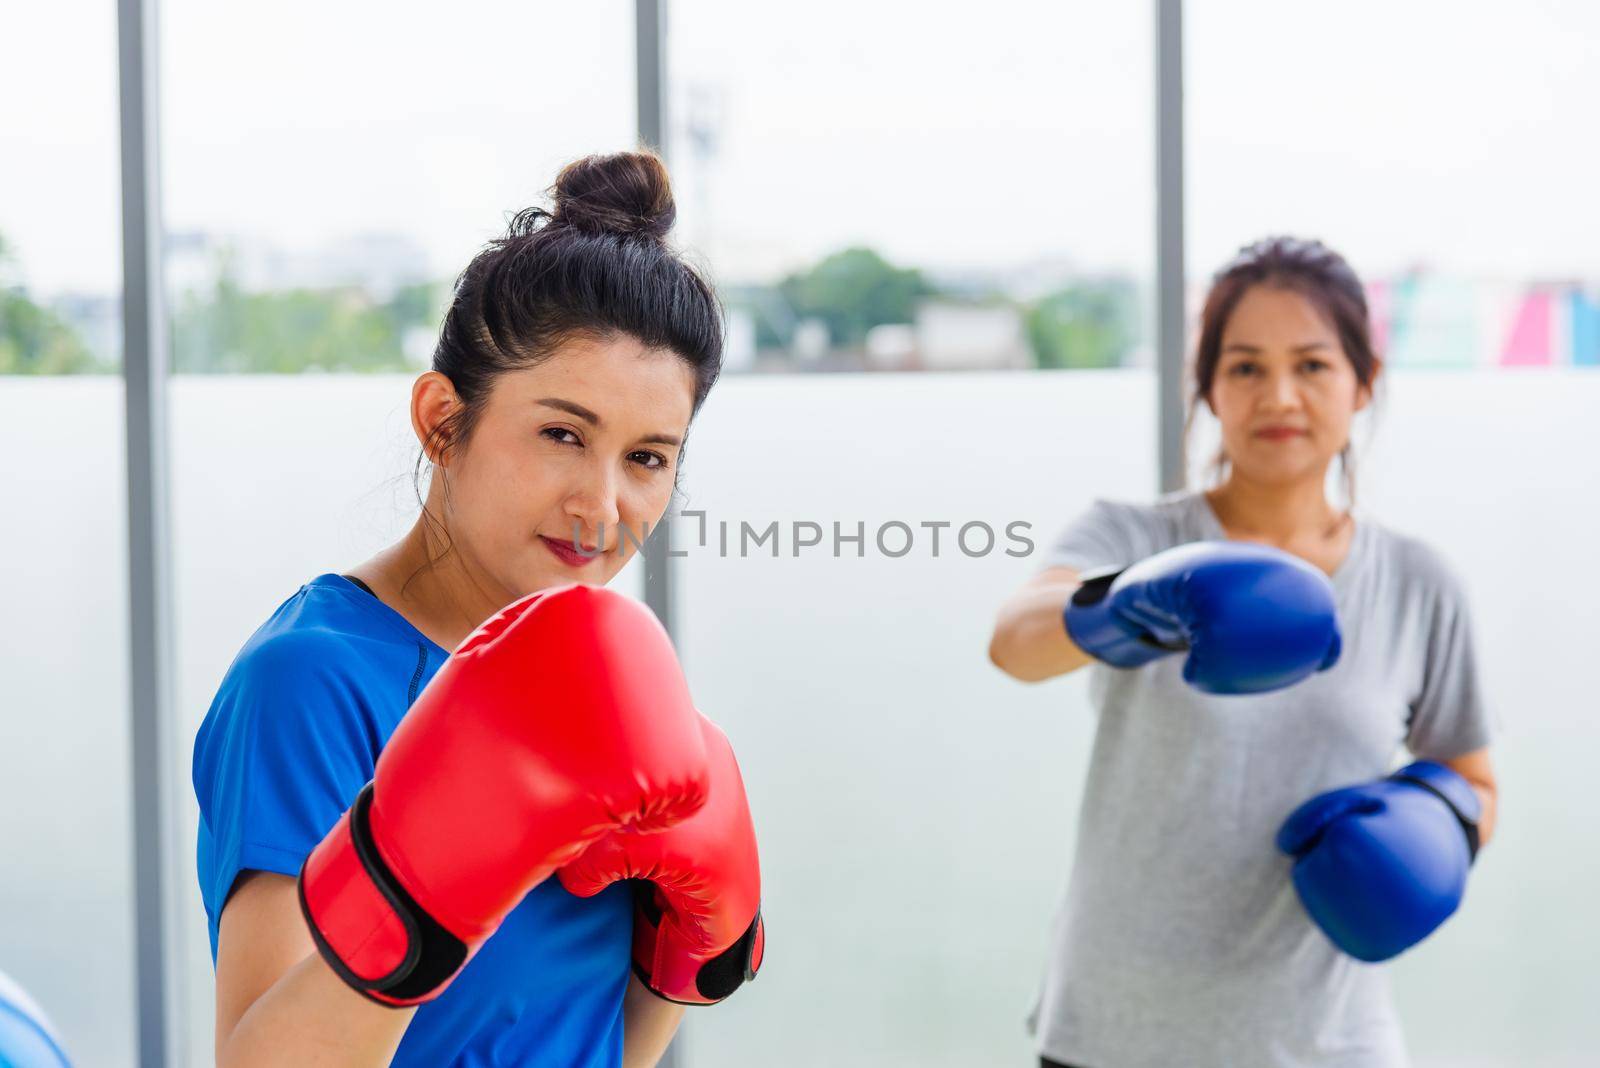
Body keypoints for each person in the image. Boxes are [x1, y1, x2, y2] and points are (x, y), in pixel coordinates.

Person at [193, 151, 761, 1068]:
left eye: (649, 457)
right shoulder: (312, 680)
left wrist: (681, 966)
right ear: (441, 421)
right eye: (561, 435)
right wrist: (419, 889)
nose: (603, 505)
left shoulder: (603, 684)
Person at [989, 236, 1498, 1068]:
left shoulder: (1418, 581)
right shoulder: (1135, 535)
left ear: (1363, 382)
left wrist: (1435, 826)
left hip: (1332, 1042)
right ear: (1211, 388)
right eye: (1247, 367)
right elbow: (1015, 642)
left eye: (1312, 365)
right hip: (1116, 1033)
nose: (1280, 396)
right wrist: (1131, 604)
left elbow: (1474, 778)